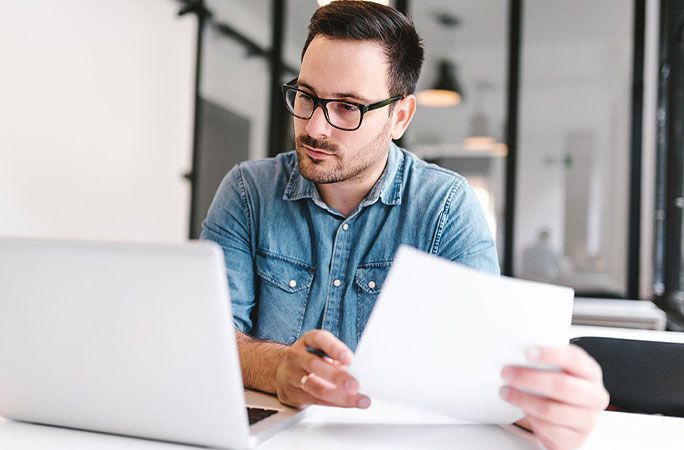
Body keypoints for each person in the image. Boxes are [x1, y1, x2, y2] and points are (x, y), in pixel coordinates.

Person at [201, 2, 609, 449]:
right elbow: (210, 335)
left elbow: (483, 372)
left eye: (347, 107)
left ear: (399, 117)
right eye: (306, 95)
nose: (315, 126)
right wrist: (279, 366)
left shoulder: (446, 208)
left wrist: (549, 407)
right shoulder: (247, 191)